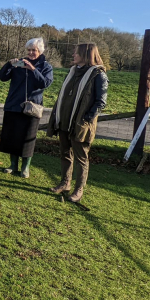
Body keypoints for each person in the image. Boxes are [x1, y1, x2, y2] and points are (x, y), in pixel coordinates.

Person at [46, 43, 108, 203]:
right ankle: (65, 183)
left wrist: (86, 119)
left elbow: (100, 102)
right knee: (65, 153)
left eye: (76, 53)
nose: (73, 55)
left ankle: (78, 190)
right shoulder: (73, 72)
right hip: (64, 120)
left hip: (81, 124)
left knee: (81, 157)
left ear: (86, 55)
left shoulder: (98, 75)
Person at [0, 37, 54, 178]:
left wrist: (33, 69)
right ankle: (13, 165)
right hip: (13, 105)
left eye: (33, 50)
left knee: (28, 138)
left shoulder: (46, 66)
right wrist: (9, 64)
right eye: (28, 50)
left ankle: (25, 167)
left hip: (32, 108)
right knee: (12, 137)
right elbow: (2, 77)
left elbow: (45, 83)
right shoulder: (19, 63)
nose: (30, 52)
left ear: (40, 50)